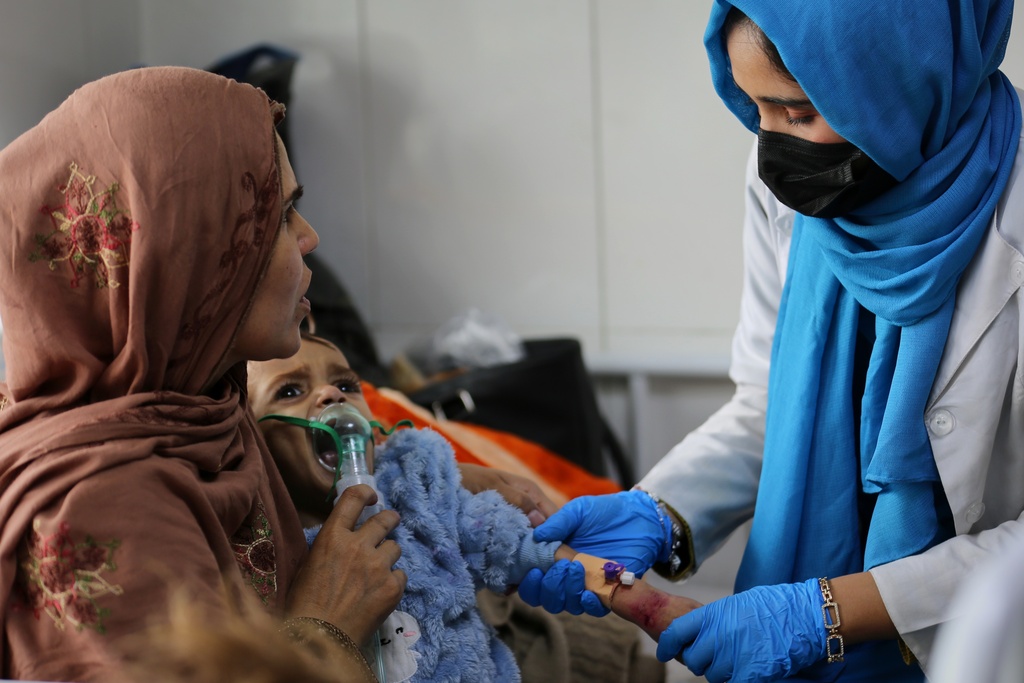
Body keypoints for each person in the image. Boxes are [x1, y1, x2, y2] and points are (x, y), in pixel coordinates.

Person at [517, 1, 1023, 682]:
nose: (770, 148)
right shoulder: (792, 187)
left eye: (796, 113)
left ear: (897, 83)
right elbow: (771, 402)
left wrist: (829, 612)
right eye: (754, 109)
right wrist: (661, 509)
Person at [0, 66, 405, 682]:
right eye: (281, 215)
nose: (311, 238)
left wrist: (447, 474)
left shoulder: (203, 405)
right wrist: (326, 628)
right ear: (188, 253)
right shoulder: (101, 504)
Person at [247, 332, 583, 682]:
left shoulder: (413, 491)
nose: (332, 395)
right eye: (289, 391)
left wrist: (595, 573)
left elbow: (502, 539)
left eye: (346, 384)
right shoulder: (267, 561)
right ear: (250, 442)